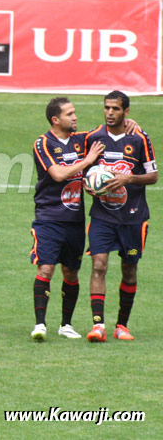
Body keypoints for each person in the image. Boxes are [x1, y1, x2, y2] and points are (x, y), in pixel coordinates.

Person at [83, 91, 157, 342]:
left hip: (133, 218)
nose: (110, 112)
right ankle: (98, 326)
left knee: (129, 270)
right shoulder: (93, 137)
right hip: (103, 216)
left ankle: (122, 326)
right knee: (99, 265)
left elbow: (153, 176)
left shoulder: (139, 138)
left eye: (115, 108)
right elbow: (84, 169)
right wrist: (87, 184)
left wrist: (129, 178)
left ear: (126, 111)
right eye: (107, 108)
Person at [29, 97, 105, 341]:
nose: (75, 117)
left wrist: (131, 123)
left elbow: (105, 130)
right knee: (47, 267)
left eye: (74, 113)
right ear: (55, 119)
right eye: (69, 114)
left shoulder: (80, 140)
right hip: (48, 217)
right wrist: (87, 161)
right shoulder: (43, 143)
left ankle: (66, 324)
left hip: (74, 219)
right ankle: (40, 324)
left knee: (71, 272)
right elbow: (58, 174)